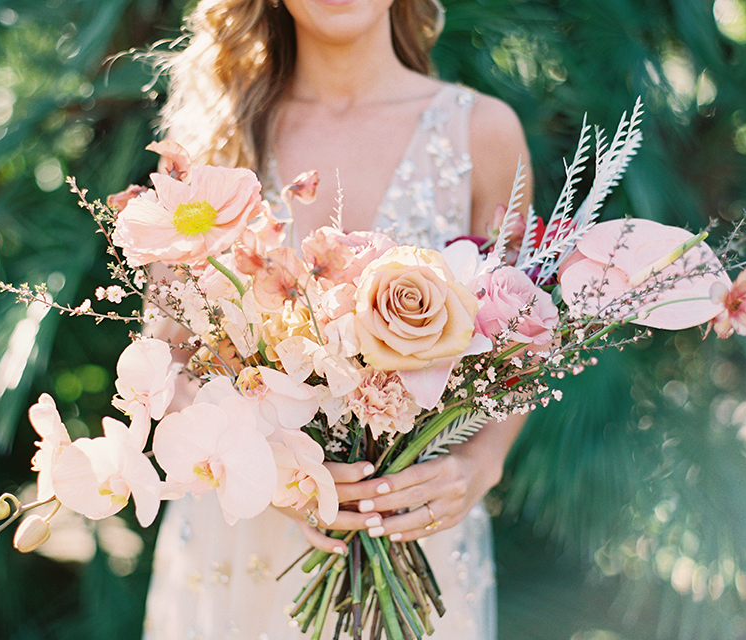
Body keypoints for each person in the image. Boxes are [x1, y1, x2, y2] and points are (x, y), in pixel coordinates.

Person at [141, 0, 531, 637]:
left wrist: (479, 466)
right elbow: (166, 360)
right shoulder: (211, 141)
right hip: (246, 539)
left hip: (414, 525)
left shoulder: (482, 133)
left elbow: (523, 334)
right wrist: (257, 468)